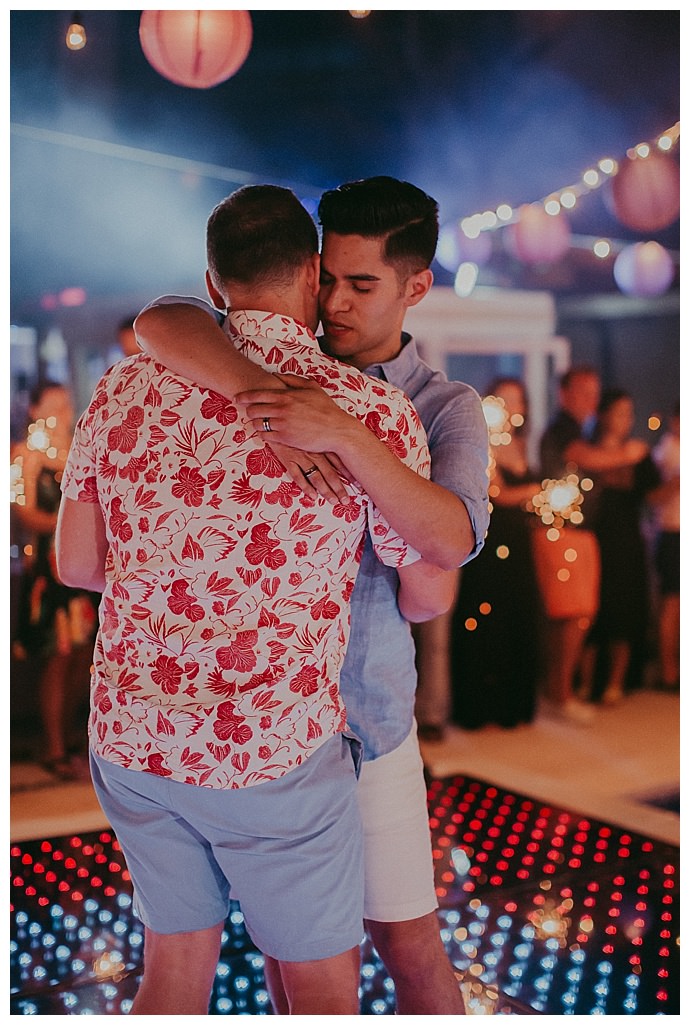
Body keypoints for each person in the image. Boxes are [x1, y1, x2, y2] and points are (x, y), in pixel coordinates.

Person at [55, 184, 454, 1016]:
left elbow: (78, 563)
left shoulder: (121, 390)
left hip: (133, 736)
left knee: (172, 966)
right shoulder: (372, 411)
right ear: (313, 274)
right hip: (266, 748)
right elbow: (427, 589)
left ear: (212, 285)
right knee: (318, 988)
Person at [538, 365, 647, 724]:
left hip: (580, 531)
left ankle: (561, 691)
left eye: (594, 393)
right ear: (564, 393)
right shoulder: (563, 429)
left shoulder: (578, 429)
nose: (590, 400)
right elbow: (587, 458)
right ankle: (561, 694)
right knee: (571, 615)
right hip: (563, 530)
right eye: (583, 391)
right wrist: (630, 453)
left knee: (577, 614)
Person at [11, 381, 98, 779]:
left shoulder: (75, 452)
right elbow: (22, 514)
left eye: (66, 404)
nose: (63, 412)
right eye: (54, 405)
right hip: (48, 569)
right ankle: (53, 744)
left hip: (79, 568)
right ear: (33, 411)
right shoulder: (24, 457)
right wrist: (66, 528)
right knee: (58, 653)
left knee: (83, 654)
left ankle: (75, 735)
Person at [451, 377, 542, 729]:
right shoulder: (484, 441)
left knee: (518, 616)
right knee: (485, 620)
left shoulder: (522, 443)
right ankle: (478, 706)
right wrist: (536, 490)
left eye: (516, 401)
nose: (510, 408)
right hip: (490, 540)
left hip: (519, 543)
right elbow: (497, 494)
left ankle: (512, 704)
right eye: (503, 400)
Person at [577, 389, 661, 703]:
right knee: (590, 608)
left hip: (626, 538)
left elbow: (652, 495)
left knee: (623, 608)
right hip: (592, 534)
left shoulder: (640, 453)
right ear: (604, 414)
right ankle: (584, 682)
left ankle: (615, 683)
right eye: (621, 412)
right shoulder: (588, 450)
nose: (627, 419)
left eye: (630, 413)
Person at [649, 401, 680, 691]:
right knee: (673, 604)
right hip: (673, 534)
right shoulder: (668, 451)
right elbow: (654, 496)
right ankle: (669, 673)